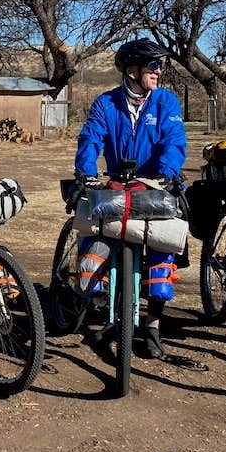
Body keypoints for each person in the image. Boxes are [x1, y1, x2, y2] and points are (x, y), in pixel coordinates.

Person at [74, 39, 186, 358]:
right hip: (115, 183)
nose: (159, 71)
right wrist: (85, 169)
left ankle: (152, 324)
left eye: (160, 65)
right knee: (97, 231)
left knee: (164, 247)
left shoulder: (165, 101)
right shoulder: (106, 103)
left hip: (153, 185)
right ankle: (102, 297)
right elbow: (91, 137)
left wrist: (167, 172)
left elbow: (174, 140)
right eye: (153, 66)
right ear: (132, 71)